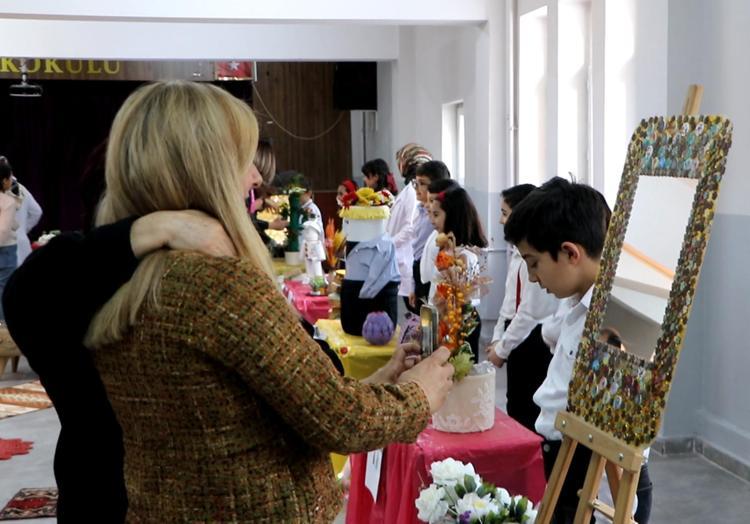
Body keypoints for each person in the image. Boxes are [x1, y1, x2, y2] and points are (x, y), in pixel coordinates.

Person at [82, 81, 455, 522]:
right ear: (205, 171)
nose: (256, 178)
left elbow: (278, 407)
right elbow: (338, 420)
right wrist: (418, 395)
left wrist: (380, 383)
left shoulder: (110, 280)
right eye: (244, 161)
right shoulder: (217, 285)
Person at [2, 209, 240, 522]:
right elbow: (26, 292)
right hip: (110, 496)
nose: (252, 183)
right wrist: (156, 229)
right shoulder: (85, 277)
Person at [504, 176, 652, 524]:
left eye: (534, 263)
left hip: (590, 465)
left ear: (571, 253)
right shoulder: (578, 301)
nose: (533, 277)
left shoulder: (618, 321)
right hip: (564, 452)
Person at [486, 184, 559, 432]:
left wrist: (502, 349)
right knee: (515, 404)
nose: (500, 220)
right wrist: (498, 338)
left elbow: (529, 312)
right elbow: (508, 304)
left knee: (529, 410)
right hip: (515, 333)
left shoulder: (540, 261)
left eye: (505, 213)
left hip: (532, 339)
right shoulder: (518, 256)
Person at [423, 181, 488, 362]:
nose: (432, 220)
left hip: (459, 325)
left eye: (436, 215)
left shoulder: (465, 256)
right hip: (443, 321)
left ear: (453, 217)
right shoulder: (445, 250)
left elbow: (466, 300)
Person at [388, 143, 432, 313]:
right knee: (416, 313)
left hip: (410, 259)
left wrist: (389, 243)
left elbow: (410, 228)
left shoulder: (414, 192)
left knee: (419, 312)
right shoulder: (410, 190)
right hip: (408, 261)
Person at [408, 160, 451, 313]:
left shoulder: (441, 220)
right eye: (416, 183)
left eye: (422, 183)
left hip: (434, 277)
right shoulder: (419, 210)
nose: (416, 188)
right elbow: (416, 250)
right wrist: (413, 283)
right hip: (420, 270)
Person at [0, 157, 19, 320]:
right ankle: (2, 326)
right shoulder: (8, 201)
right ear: (4, 180)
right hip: (5, 250)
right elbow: (4, 229)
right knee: (3, 289)